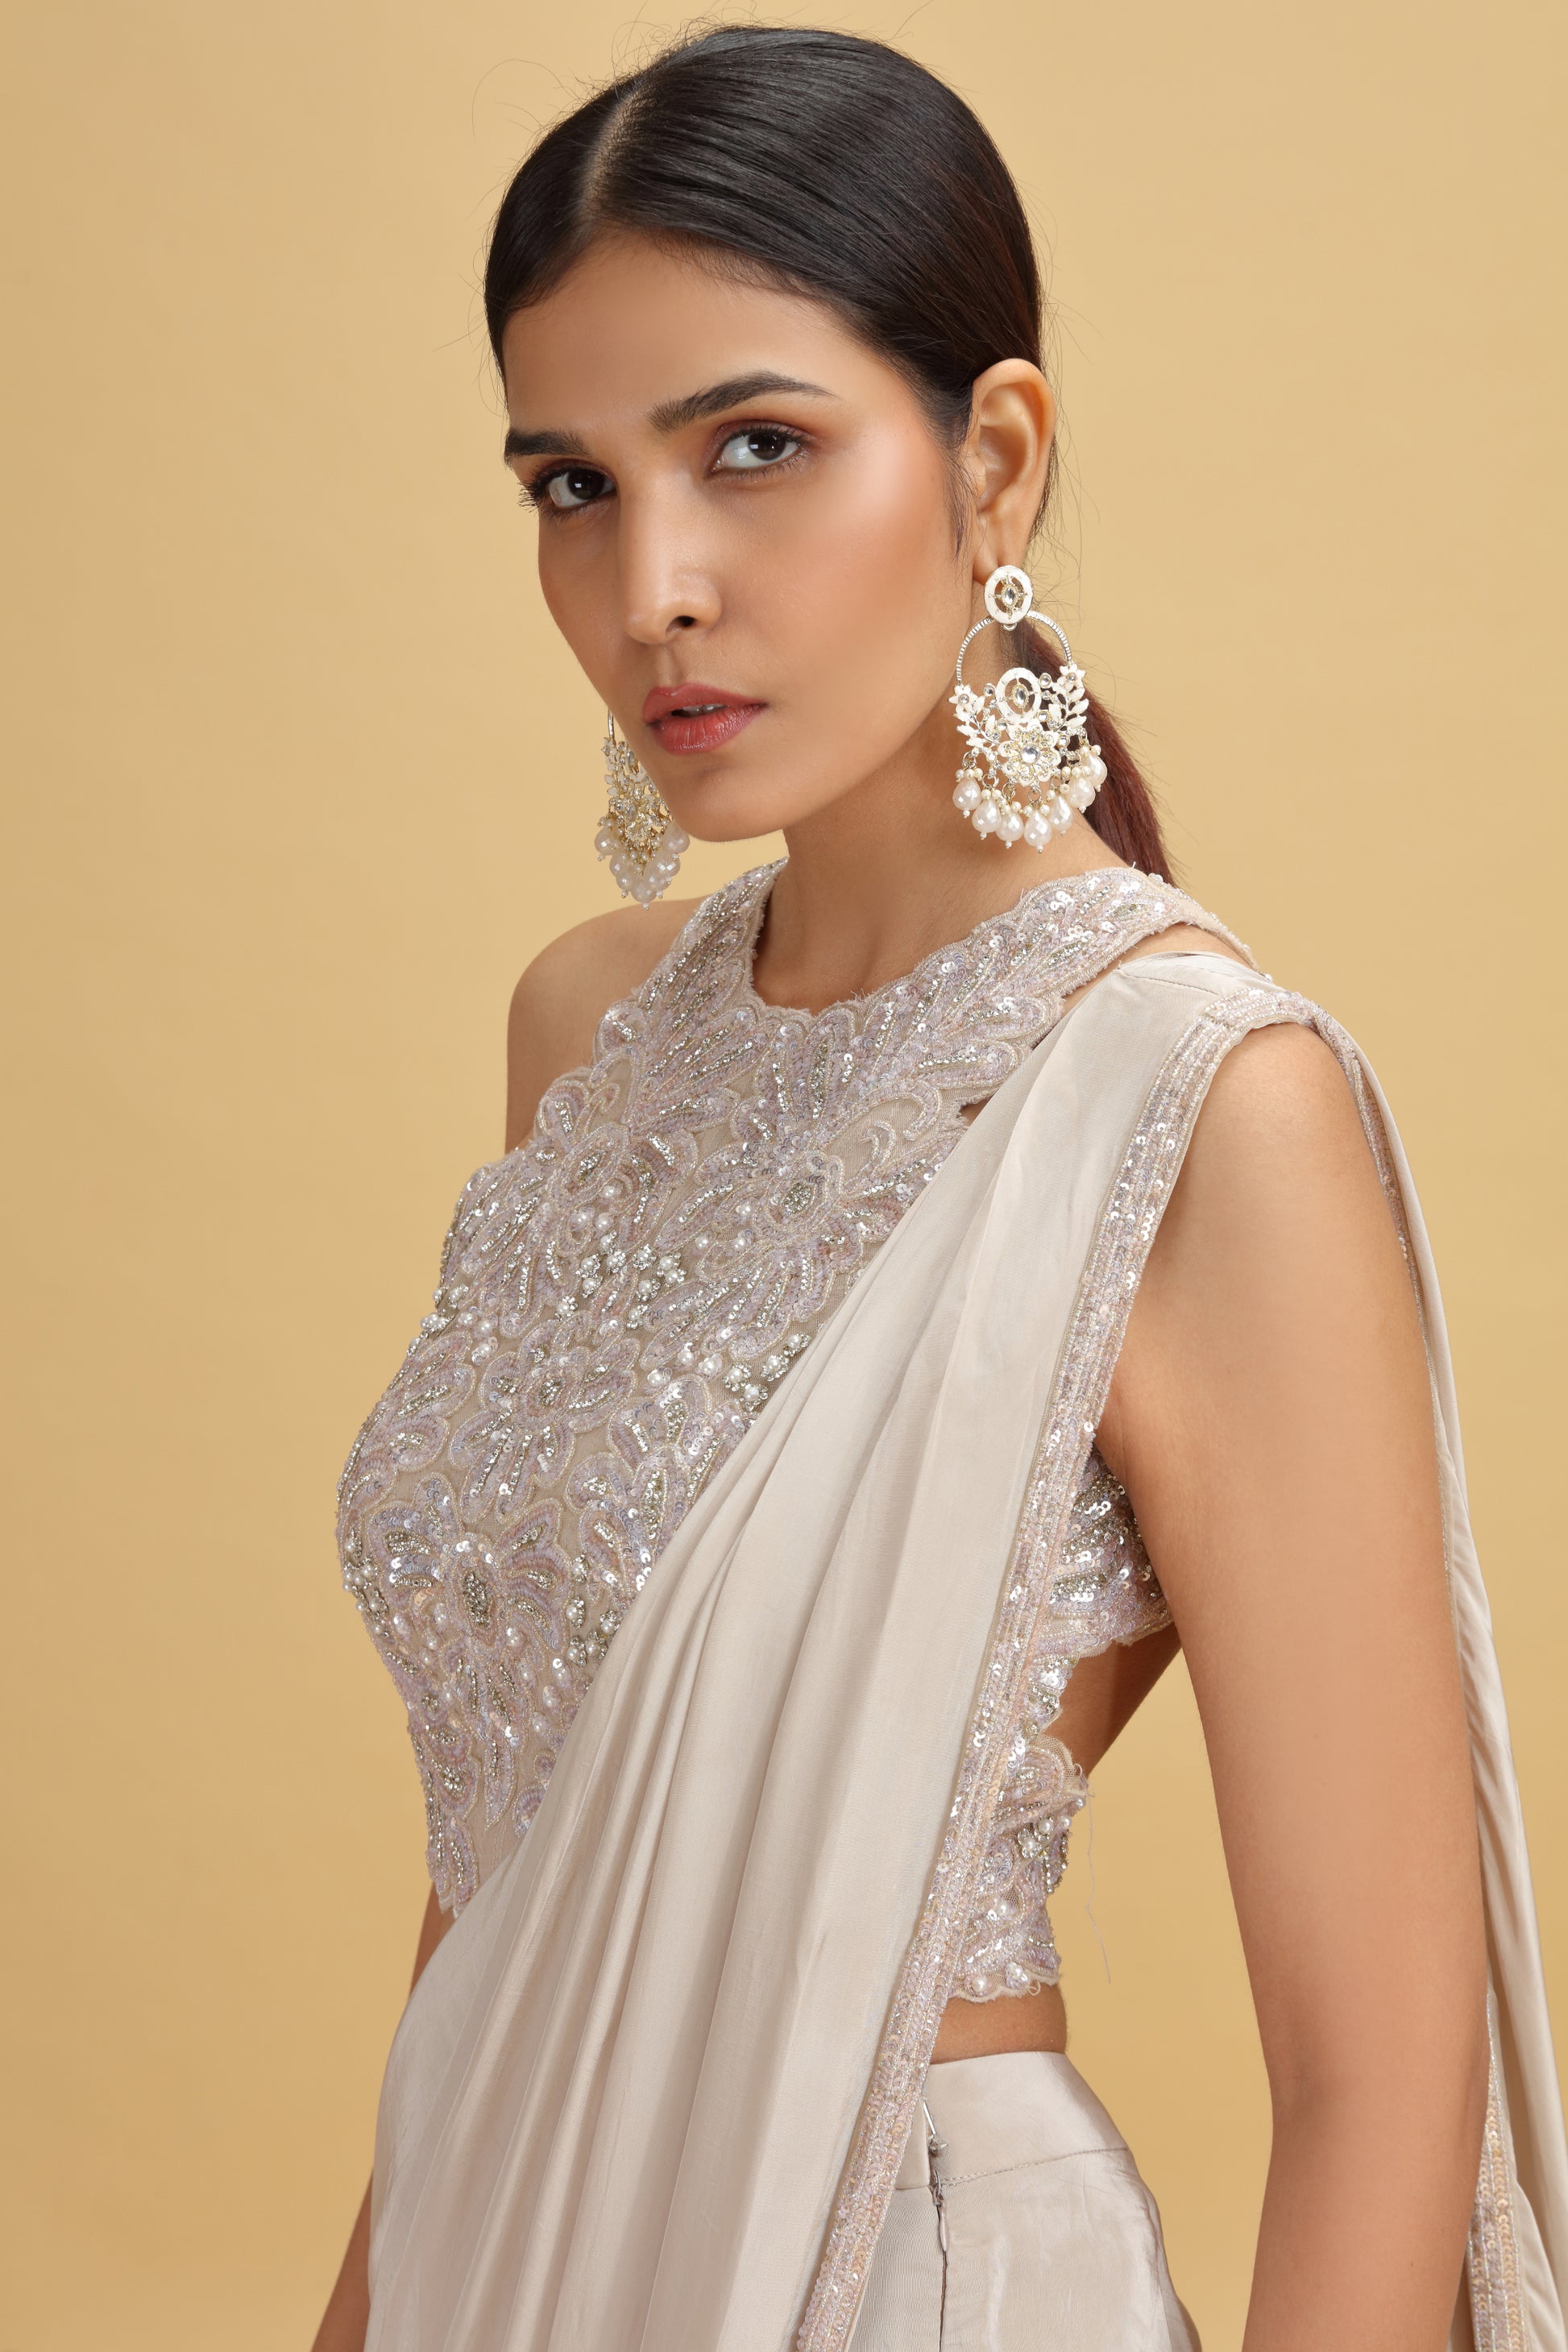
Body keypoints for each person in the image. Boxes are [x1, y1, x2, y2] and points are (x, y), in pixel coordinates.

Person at [312, 27, 1566, 2351]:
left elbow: (1385, 2083)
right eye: (572, 485)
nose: (652, 585)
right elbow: (518, 1863)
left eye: (754, 448)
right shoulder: (585, 1034)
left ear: (993, 462)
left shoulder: (1200, 1103)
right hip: (502, 2271)